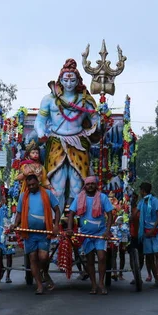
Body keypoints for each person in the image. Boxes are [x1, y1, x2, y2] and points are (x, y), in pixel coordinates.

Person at [34, 58, 99, 210]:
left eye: (72, 81)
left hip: (79, 142)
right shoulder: (49, 99)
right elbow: (40, 120)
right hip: (56, 141)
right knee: (58, 185)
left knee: (77, 184)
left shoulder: (85, 100)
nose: (69, 84)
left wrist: (95, 127)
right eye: (66, 80)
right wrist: (41, 131)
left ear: (78, 81)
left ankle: (75, 219)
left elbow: (95, 118)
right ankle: (57, 219)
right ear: (60, 81)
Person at [11, 174, 61, 295]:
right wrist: (15, 224)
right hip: (29, 234)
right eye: (29, 185)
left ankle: (45, 272)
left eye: (33, 184)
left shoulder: (47, 194)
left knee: (43, 257)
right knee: (33, 258)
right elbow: (18, 213)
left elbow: (57, 210)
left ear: (38, 182)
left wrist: (55, 225)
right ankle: (39, 285)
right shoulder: (23, 196)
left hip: (44, 232)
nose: (31, 187)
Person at [66, 176, 114, 295]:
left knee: (102, 257)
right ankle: (93, 284)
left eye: (92, 184)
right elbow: (71, 213)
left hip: (100, 234)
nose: (90, 186)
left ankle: (101, 283)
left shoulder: (102, 197)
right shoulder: (79, 197)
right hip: (86, 235)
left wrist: (107, 231)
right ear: (85, 186)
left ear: (96, 185)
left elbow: (110, 215)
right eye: (88, 184)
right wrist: (70, 228)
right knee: (90, 260)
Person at [135, 182, 158, 288]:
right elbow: (135, 213)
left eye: (140, 190)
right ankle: (156, 278)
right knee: (149, 256)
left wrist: (153, 229)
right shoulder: (141, 202)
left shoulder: (155, 201)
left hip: (156, 230)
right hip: (146, 232)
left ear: (143, 191)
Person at [0, 190, 16, 283]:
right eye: (5, 197)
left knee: (9, 255)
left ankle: (8, 276)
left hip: (10, 234)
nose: (6, 199)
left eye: (8, 197)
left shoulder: (13, 208)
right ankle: (0, 268)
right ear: (2, 198)